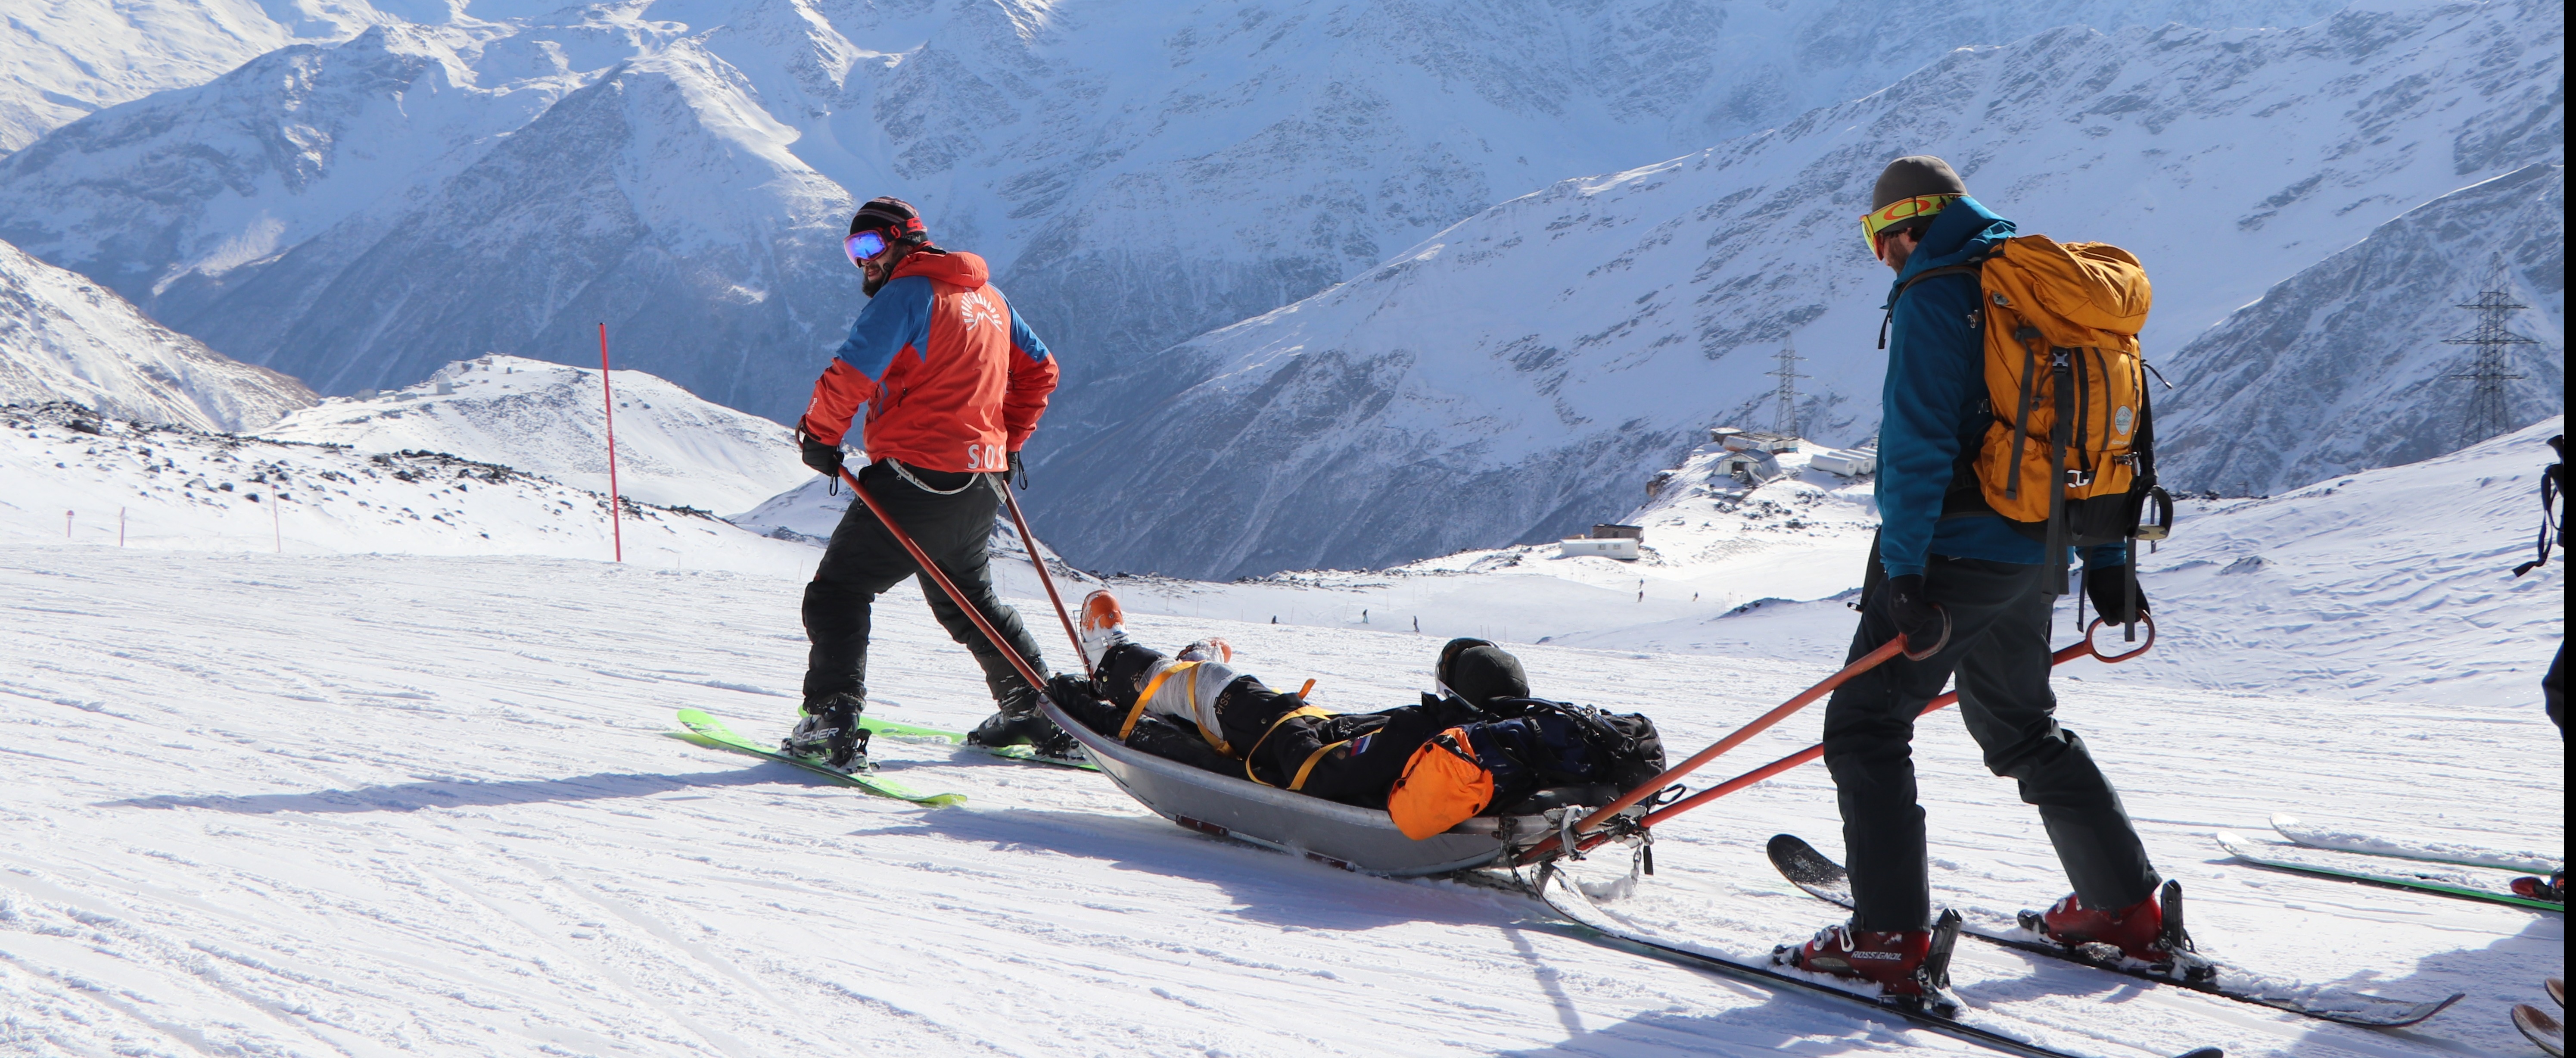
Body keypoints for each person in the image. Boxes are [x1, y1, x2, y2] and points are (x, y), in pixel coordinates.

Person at [1783, 156, 2163, 1001]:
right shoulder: (2038, 283)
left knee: (1864, 728)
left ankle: (1887, 935)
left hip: (1952, 552)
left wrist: (1906, 573)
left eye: (1879, 240)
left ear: (1906, 224)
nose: (1883, 258)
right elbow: (2099, 444)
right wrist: (2106, 562)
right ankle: (2125, 908)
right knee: (2020, 727)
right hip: (2036, 555)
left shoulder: (1936, 290)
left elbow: (1915, 445)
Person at [782, 197, 1070, 769]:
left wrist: (820, 434)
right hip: (980, 481)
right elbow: (1042, 369)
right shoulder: (991, 299)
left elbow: (852, 373)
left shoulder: (908, 295)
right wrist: (1009, 442)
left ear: (904, 240)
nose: (862, 260)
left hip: (916, 477)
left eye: (870, 246)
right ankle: (1034, 710)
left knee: (839, 590)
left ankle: (830, 718)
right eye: (852, 249)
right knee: (968, 597)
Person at [1050, 591, 1662, 837]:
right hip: (1327, 743)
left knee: (1219, 690)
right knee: (1247, 697)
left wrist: (1297, 737)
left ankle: (1116, 660)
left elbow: (1339, 770)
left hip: (1305, 761)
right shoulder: (1496, 746)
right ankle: (1195, 669)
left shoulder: (1440, 734)